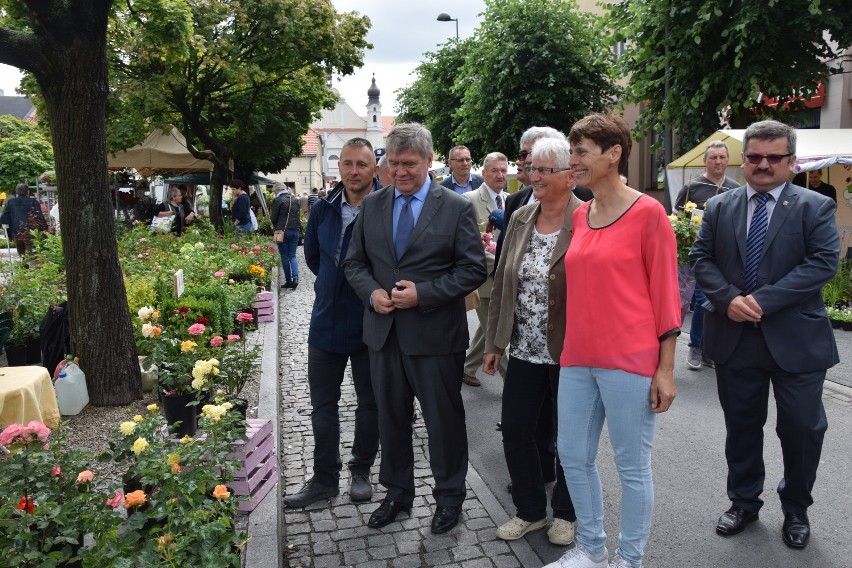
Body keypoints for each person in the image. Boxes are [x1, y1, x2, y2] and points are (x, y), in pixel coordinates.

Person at [690, 120, 839, 550]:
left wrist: (762, 300)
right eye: (755, 156)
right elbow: (701, 259)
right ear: (745, 159)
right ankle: (743, 501)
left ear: (791, 162)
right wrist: (729, 299)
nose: (763, 165)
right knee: (741, 426)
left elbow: (823, 263)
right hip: (735, 337)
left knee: (802, 428)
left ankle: (796, 507)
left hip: (796, 341)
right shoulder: (721, 206)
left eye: (774, 157)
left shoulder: (815, 206)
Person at [547, 113, 680, 568]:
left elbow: (666, 297)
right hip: (578, 357)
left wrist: (665, 369)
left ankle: (629, 559)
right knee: (573, 455)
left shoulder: (649, 213)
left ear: (614, 154)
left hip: (630, 359)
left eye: (581, 152)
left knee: (631, 466)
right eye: (572, 151)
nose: (574, 160)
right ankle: (590, 548)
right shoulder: (581, 214)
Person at [343, 123, 486, 534]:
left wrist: (423, 294)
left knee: (443, 421)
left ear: (428, 161)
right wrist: (372, 294)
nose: (400, 171)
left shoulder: (455, 208)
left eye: (409, 164)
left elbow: (473, 268)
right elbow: (354, 263)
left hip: (435, 336)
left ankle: (449, 497)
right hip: (384, 334)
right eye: (394, 163)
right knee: (390, 418)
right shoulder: (373, 205)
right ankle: (397, 494)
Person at [484, 137, 580, 546]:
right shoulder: (521, 216)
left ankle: (566, 513)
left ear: (570, 174)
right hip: (524, 347)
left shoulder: (589, 218)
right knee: (517, 430)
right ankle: (529, 511)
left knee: (572, 437)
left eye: (544, 170)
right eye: (532, 169)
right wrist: (494, 342)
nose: (533, 176)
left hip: (573, 351)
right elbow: (503, 283)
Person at [284, 138, 381, 509]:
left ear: (374, 168)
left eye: (361, 164)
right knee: (323, 405)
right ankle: (324, 478)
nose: (353, 171)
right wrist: (330, 286)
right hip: (325, 322)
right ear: (338, 167)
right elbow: (312, 256)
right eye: (347, 164)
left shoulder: (386, 209)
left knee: (369, 404)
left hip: (369, 323)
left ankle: (360, 470)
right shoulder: (324, 210)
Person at [674, 140, 739, 370]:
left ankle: (708, 348)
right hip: (697, 254)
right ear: (705, 161)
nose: (718, 161)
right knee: (700, 301)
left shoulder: (735, 188)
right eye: (714, 157)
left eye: (722, 157)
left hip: (724, 255)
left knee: (716, 301)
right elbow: (677, 221)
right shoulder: (692, 187)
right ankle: (695, 346)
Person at [461, 152, 510, 387]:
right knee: (494, 329)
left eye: (503, 170)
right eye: (494, 170)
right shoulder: (469, 200)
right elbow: (467, 243)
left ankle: (468, 367)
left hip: (507, 278)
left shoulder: (512, 200)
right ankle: (513, 381)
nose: (500, 175)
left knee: (487, 326)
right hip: (484, 278)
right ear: (484, 173)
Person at [0, 183, 47, 256]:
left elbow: (4, 218)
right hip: (31, 231)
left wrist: (8, 232)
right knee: (31, 252)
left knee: (21, 253)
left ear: (16, 192)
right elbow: (39, 216)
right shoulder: (33, 201)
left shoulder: (10, 202)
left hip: (16, 231)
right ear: (27, 191)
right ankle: (31, 265)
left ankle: (24, 266)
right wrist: (44, 230)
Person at [270, 182, 301, 289]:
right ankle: (296, 278)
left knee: (284, 256)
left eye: (274, 191)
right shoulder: (295, 199)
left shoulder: (278, 200)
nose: (274, 193)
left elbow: (273, 218)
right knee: (292, 256)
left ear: (278, 189)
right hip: (295, 230)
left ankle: (288, 280)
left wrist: (277, 226)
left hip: (282, 230)